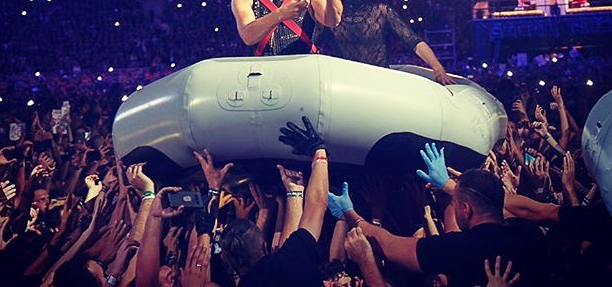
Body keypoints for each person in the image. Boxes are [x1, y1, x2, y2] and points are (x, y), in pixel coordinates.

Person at [329, 146, 552, 287]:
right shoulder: (526, 232)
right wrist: (449, 186)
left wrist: (349, 213)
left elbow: (389, 245)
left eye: (455, 203)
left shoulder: (456, 249)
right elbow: (512, 207)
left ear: (466, 210)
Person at [219, 115, 329, 286]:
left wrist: (296, 191)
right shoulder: (293, 259)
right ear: (264, 246)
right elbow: (316, 206)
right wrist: (317, 149)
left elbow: (317, 206)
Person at [317, 0, 454, 85]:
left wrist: (438, 68)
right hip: (347, 84)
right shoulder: (329, 17)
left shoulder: (382, 12)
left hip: (381, 82)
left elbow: (413, 40)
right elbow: (310, 42)